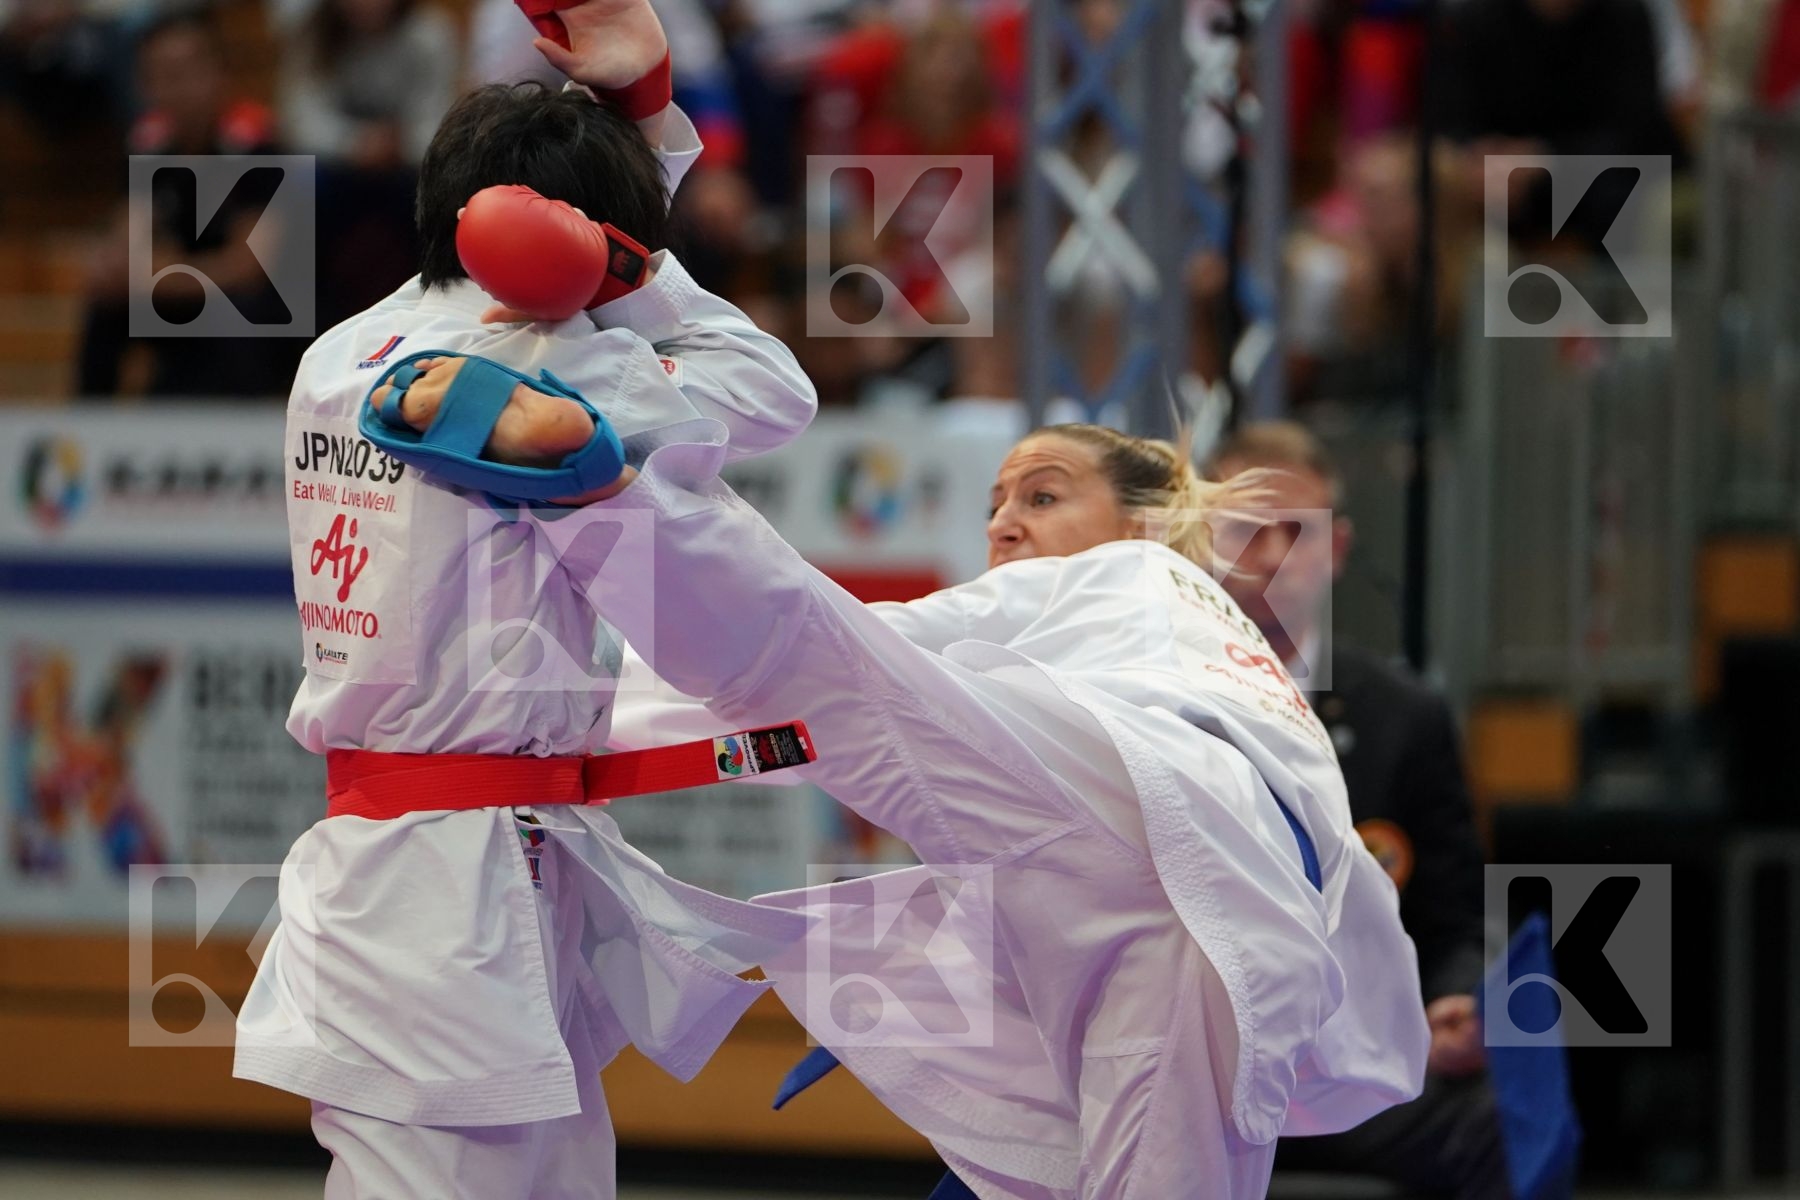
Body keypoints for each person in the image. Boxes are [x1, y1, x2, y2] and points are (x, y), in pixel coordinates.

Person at [368, 369, 1433, 1196]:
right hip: (1232, 935)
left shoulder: (1121, 575)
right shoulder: (1233, 658)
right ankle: (600, 526)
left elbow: (826, 669)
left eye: (1045, 494)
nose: (1004, 522)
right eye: (997, 500)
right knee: (1059, 1162)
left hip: (1149, 824)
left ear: (1143, 524)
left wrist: (555, 741)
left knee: (823, 657)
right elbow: (1344, 892)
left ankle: (598, 492)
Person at [232, 2, 819, 1195]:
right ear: (589, 253)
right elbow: (773, 389)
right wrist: (646, 168)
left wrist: (628, 152)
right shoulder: (551, 361)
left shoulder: (340, 350)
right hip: (445, 892)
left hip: (462, 861)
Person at [1206, 421, 1507, 1200]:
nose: (1269, 558)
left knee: (1491, 1126)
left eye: (1294, 534)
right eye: (1243, 531)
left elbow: (1457, 917)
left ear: (1336, 550)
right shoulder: (1136, 698)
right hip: (1190, 1069)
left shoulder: (1404, 716)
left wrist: (1453, 999)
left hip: (1347, 1068)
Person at [76, 8, 302, 400]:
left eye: (186, 71)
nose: (175, 87)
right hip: (179, 293)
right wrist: (126, 267)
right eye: (160, 75)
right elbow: (127, 247)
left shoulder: (258, 144)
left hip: (256, 307)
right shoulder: (148, 145)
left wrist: (160, 274)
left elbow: (246, 267)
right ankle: (87, 428)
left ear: (219, 73)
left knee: (242, 311)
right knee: (107, 304)